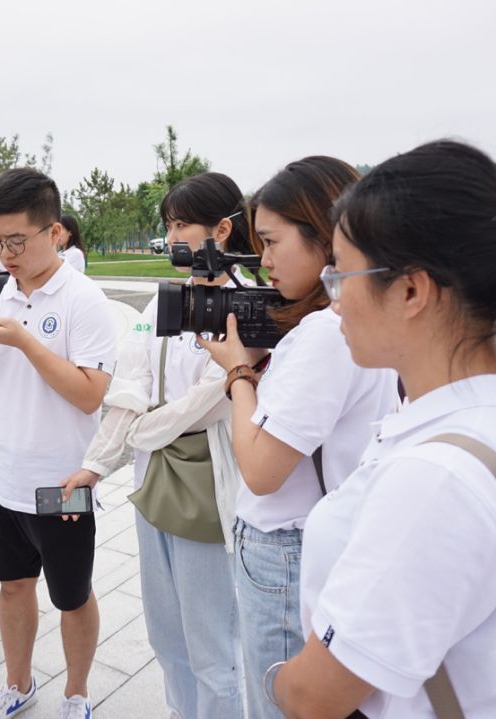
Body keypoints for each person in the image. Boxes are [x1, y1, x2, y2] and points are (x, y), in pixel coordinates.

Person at [269, 140, 496, 718]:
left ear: (410, 291)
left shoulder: (435, 480)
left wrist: (277, 678)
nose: (335, 301)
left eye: (344, 275)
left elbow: (315, 697)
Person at [199, 157, 399, 719]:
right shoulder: (351, 320)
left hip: (287, 548)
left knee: (277, 706)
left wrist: (239, 374)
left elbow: (262, 473)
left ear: (324, 235)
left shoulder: (323, 333)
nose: (261, 261)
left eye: (270, 241)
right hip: (312, 535)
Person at [66, 172, 250, 719]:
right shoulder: (163, 302)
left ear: (221, 228)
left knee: (213, 643)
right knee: (167, 635)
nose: (171, 236)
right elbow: (128, 387)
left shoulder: (247, 306)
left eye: (181, 225)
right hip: (154, 482)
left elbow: (213, 398)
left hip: (209, 481)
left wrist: (147, 429)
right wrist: (95, 466)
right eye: (167, 224)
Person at [0, 168, 117, 719]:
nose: (6, 252)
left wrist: (22, 338)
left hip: (63, 481)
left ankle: (77, 693)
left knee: (72, 595)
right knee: (14, 588)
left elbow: (90, 395)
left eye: (17, 241)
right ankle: (17, 685)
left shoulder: (84, 300)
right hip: (0, 476)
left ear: (54, 232)